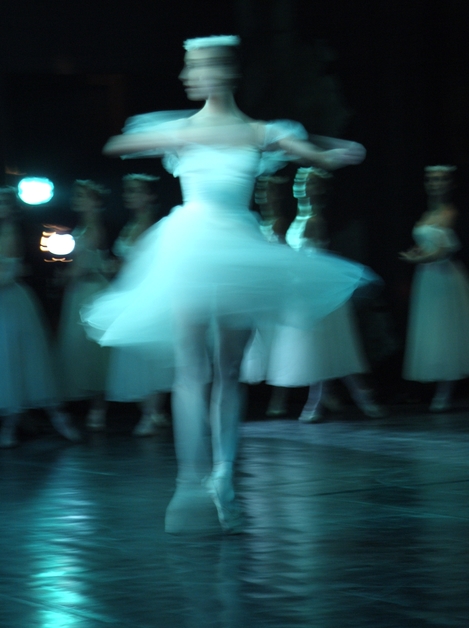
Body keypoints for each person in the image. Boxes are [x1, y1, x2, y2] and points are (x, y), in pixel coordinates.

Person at [83, 34, 375, 533]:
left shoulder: (263, 130)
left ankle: (224, 477)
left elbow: (313, 154)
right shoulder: (179, 128)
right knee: (193, 366)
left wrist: (333, 148)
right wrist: (174, 136)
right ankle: (189, 479)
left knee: (228, 368)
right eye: (186, 67)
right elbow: (117, 143)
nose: (185, 76)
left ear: (221, 71)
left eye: (193, 67)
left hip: (238, 249)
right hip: (189, 247)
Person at [261, 167, 384, 422]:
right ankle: (331, 400)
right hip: (307, 294)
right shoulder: (301, 217)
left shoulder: (314, 220)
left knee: (332, 347)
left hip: (319, 294)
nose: (304, 187)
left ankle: (357, 398)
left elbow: (317, 261)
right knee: (321, 349)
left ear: (319, 189)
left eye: (310, 183)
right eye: (302, 182)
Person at [0, 186, 80, 448]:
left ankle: (55, 419)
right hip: (7, 301)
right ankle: (14, 426)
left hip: (11, 301)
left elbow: (8, 275)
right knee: (10, 363)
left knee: (20, 361)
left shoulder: (11, 233)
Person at [105, 174, 171, 434]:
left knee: (149, 353)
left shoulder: (150, 225)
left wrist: (116, 265)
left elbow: (145, 263)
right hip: (129, 292)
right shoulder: (131, 224)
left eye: (136, 191)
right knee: (137, 353)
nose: (129, 195)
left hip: (146, 295)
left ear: (150, 196)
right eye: (128, 191)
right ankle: (152, 412)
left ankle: (152, 413)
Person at [401, 165, 469, 411]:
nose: (435, 183)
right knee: (431, 329)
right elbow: (430, 245)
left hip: (443, 277)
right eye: (431, 179)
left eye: (440, 180)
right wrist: (418, 253)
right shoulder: (428, 213)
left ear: (450, 184)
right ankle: (437, 386)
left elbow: (443, 251)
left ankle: (445, 391)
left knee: (446, 328)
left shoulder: (450, 212)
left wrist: (417, 259)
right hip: (427, 278)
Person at [57, 180, 110, 428]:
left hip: (90, 290)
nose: (76, 199)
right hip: (81, 291)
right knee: (82, 348)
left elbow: (81, 266)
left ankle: (98, 407)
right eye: (76, 195)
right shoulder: (84, 226)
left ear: (95, 201)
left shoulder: (94, 229)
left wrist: (64, 276)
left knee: (91, 348)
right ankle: (91, 403)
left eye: (82, 196)